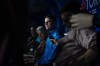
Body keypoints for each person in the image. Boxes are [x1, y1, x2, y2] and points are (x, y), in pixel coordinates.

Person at [51, 1, 97, 66]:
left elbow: (95, 48)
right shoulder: (74, 29)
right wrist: (57, 43)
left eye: (66, 20)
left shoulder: (82, 29)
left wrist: (77, 62)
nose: (64, 23)